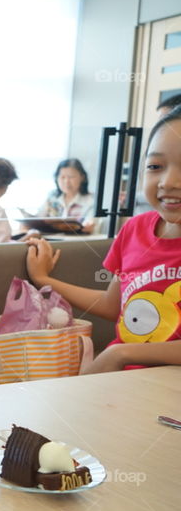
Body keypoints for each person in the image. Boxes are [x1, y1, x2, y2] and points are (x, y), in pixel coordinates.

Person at [26, 106, 181, 373]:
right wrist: (45, 280)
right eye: (155, 166)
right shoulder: (134, 229)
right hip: (121, 380)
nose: (168, 181)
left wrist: (120, 352)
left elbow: (119, 352)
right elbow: (113, 305)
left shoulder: (120, 353)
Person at [35, 158, 95, 231]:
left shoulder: (91, 200)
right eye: (62, 177)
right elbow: (38, 219)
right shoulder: (52, 197)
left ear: (82, 177)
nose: (66, 181)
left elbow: (89, 225)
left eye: (71, 177)